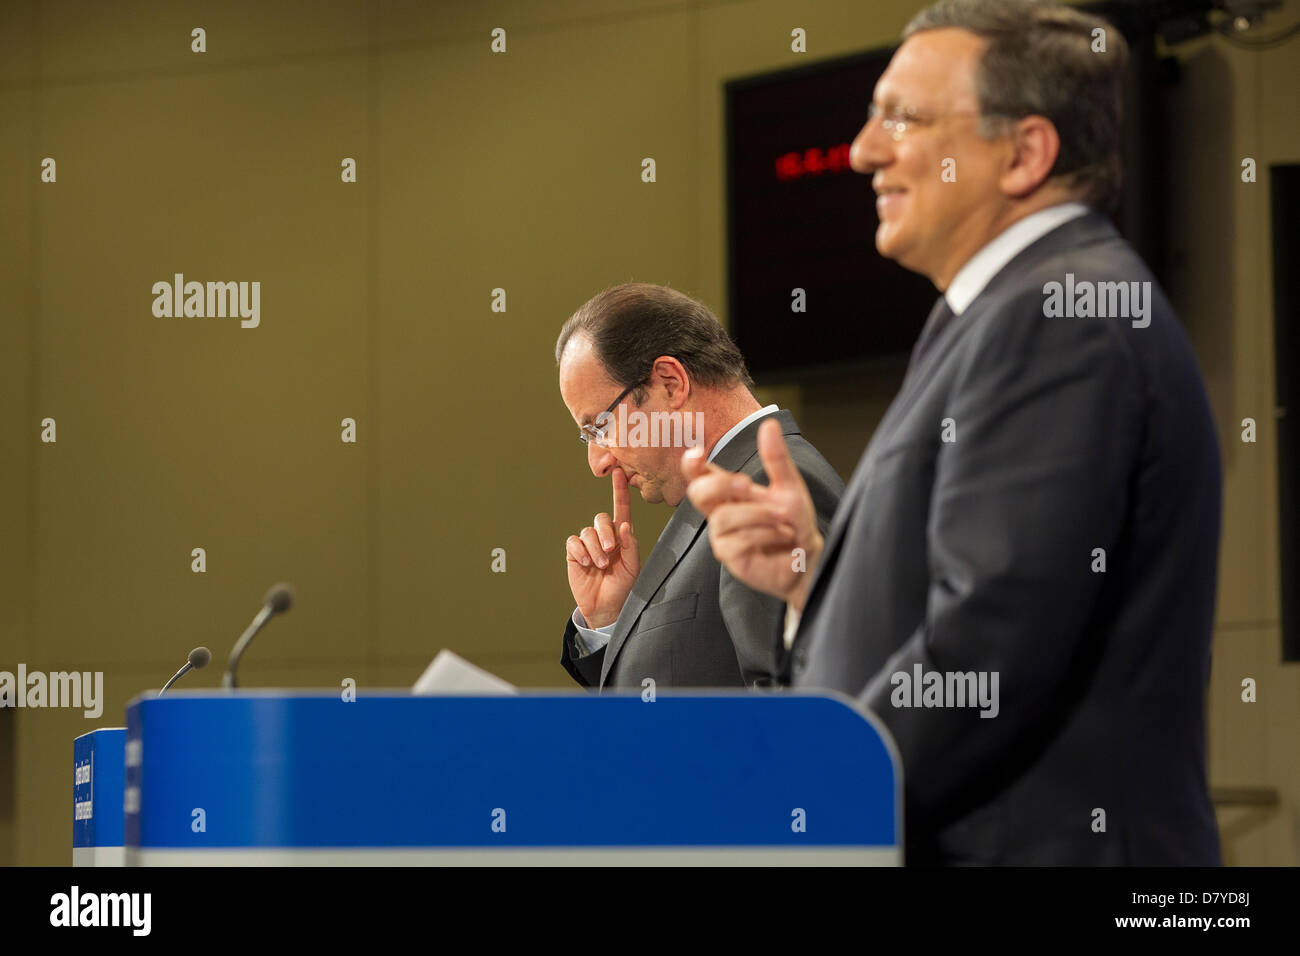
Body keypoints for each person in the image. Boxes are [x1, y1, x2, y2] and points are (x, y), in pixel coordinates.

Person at [683, 0, 1222, 865]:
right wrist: (814, 579)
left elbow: (992, 643)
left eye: (902, 117)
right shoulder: (1001, 314)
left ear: (1025, 154)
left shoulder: (1058, 315)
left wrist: (804, 805)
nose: (862, 150)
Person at [556, 283, 843, 690]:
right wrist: (614, 623)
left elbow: (799, 716)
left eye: (600, 426)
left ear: (670, 383)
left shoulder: (769, 488)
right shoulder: (730, 487)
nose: (598, 463)